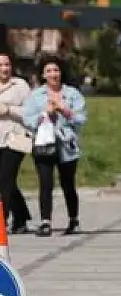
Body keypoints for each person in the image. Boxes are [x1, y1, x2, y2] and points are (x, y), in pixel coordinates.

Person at [22, 55, 86, 237]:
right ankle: (45, 221)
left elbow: (82, 119)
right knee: (45, 183)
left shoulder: (72, 94)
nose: (53, 74)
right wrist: (44, 114)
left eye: (56, 70)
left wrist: (65, 110)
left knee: (68, 183)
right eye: (49, 71)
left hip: (67, 144)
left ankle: (73, 219)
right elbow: (27, 120)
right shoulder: (35, 96)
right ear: (43, 75)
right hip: (44, 143)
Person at [0, 53, 33, 234]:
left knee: (6, 179)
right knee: (7, 181)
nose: (5, 69)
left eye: (7, 64)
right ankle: (21, 217)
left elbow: (30, 112)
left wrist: (9, 109)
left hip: (16, 138)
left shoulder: (20, 85)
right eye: (1, 65)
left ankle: (2, 220)